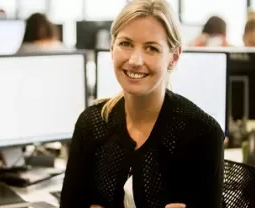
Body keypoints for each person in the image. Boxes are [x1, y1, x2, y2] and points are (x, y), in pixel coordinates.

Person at [60, 0, 224, 208]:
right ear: (112, 48)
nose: (136, 60)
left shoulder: (202, 133)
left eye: (151, 48)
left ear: (173, 57)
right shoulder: (91, 124)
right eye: (126, 43)